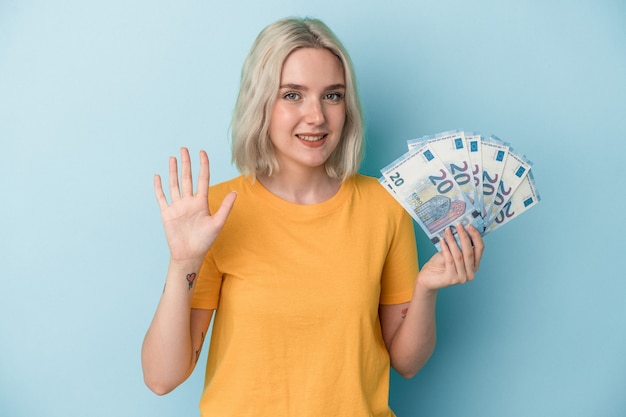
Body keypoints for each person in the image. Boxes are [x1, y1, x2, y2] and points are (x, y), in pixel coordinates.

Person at [141, 16, 484, 416]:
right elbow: (161, 378)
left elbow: (407, 363)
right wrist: (184, 260)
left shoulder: (384, 206)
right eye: (292, 95)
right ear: (260, 102)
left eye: (332, 96)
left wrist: (425, 288)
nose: (317, 116)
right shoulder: (218, 212)